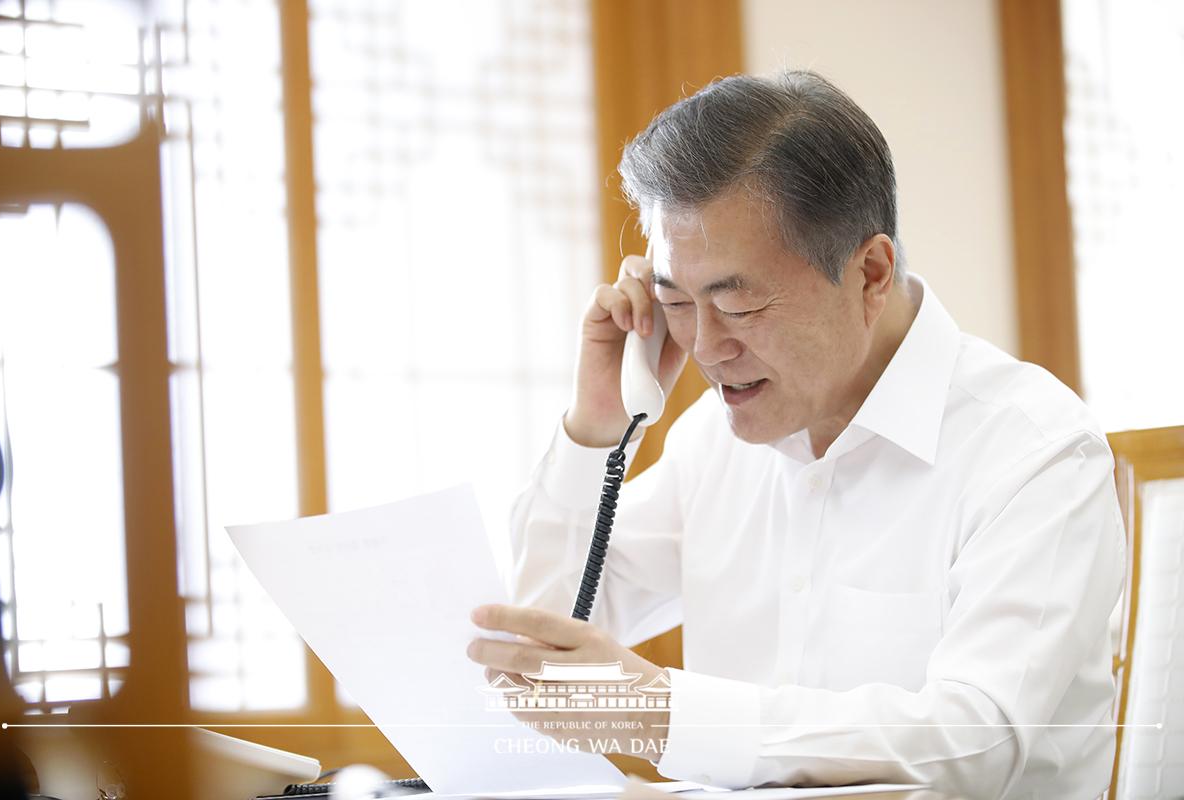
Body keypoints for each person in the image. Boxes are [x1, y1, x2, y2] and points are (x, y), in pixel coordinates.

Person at [466, 71, 1124, 799]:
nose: (707, 349)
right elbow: (538, 652)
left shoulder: (1034, 450)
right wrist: (596, 424)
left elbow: (972, 743)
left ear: (871, 272)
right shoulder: (709, 444)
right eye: (676, 301)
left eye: (739, 305)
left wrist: (659, 713)